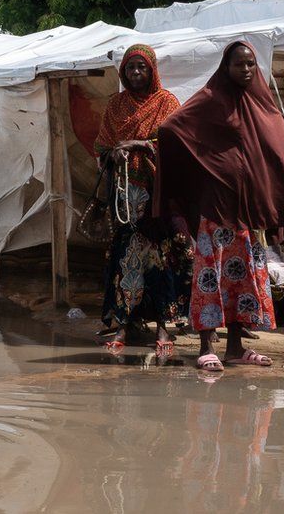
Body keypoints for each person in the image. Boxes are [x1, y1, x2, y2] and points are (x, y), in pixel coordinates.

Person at [156, 41, 284, 372]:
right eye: (239, 65)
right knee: (211, 275)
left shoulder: (261, 103)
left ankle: (236, 347)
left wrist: (272, 204)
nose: (246, 70)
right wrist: (211, 167)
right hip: (216, 208)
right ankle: (206, 346)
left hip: (246, 213)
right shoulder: (211, 98)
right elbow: (170, 128)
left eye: (250, 64)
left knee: (243, 278)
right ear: (226, 67)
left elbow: (275, 153)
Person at [94, 44, 193, 357]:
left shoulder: (167, 103)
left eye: (142, 68)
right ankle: (123, 322)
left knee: (161, 258)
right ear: (124, 72)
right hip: (126, 199)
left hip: (158, 196)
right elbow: (101, 147)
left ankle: (164, 324)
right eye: (131, 68)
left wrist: (138, 143)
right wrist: (114, 153)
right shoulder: (116, 106)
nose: (136, 73)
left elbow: (178, 141)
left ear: (152, 70)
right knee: (127, 260)